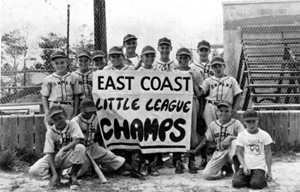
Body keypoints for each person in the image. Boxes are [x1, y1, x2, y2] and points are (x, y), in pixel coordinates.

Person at [73, 98, 145, 180]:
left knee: (109, 155)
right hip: (80, 150)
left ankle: (129, 169)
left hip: (92, 146)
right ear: (80, 109)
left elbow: (97, 134)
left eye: (91, 111)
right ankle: (68, 174)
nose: (89, 114)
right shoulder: (74, 121)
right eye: (87, 112)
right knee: (79, 171)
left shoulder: (95, 118)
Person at [29, 105, 86, 190]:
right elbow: (49, 153)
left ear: (65, 116)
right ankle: (56, 174)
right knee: (33, 170)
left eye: (60, 118)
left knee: (80, 147)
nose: (58, 121)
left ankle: (73, 177)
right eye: (55, 120)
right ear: (52, 120)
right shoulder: (50, 132)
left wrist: (63, 149)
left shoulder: (72, 124)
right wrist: (54, 173)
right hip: (55, 158)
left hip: (69, 155)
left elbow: (78, 140)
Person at [188, 100, 244, 180]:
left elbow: (245, 137)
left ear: (231, 112)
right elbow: (207, 139)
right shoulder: (213, 124)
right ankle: (225, 170)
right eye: (221, 111)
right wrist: (196, 150)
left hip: (232, 152)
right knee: (207, 175)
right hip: (220, 152)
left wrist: (230, 138)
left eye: (227, 111)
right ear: (217, 112)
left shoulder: (236, 123)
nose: (223, 113)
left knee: (235, 142)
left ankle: (238, 170)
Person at [173, 48, 203, 174]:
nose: (183, 60)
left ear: (189, 59)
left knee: (191, 132)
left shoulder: (195, 72)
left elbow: (200, 92)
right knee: (176, 130)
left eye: (186, 58)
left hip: (191, 101)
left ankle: (191, 160)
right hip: (176, 103)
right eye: (181, 57)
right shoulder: (172, 72)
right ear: (177, 58)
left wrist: (193, 81)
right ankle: (178, 161)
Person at [232, 109, 273, 189]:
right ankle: (247, 177)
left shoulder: (264, 135)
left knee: (256, 184)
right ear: (244, 122)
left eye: (253, 121)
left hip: (259, 166)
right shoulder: (241, 135)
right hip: (246, 165)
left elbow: (268, 153)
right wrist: (244, 166)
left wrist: (269, 171)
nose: (251, 124)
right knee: (236, 183)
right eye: (248, 122)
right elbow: (239, 153)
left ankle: (257, 178)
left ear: (257, 121)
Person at [199, 56, 242, 128]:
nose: (217, 69)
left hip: (225, 107)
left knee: (224, 128)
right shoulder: (208, 80)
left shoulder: (231, 80)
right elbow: (199, 93)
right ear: (212, 68)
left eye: (219, 66)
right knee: (211, 129)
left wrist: (234, 109)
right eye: (215, 67)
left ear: (224, 66)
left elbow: (238, 95)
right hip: (211, 107)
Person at [41, 51, 81, 126]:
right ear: (53, 64)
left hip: (68, 107)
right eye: (57, 63)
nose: (60, 65)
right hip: (54, 106)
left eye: (62, 62)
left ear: (67, 62)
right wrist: (47, 112)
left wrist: (75, 113)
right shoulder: (49, 79)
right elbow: (44, 96)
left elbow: (76, 96)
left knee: (69, 132)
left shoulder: (73, 77)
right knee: (54, 132)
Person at [136, 45, 160, 176]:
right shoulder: (137, 72)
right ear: (142, 57)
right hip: (142, 109)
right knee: (142, 136)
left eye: (152, 56)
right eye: (147, 56)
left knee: (154, 135)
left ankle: (152, 164)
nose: (150, 58)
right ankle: (143, 164)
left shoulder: (159, 71)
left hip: (156, 108)